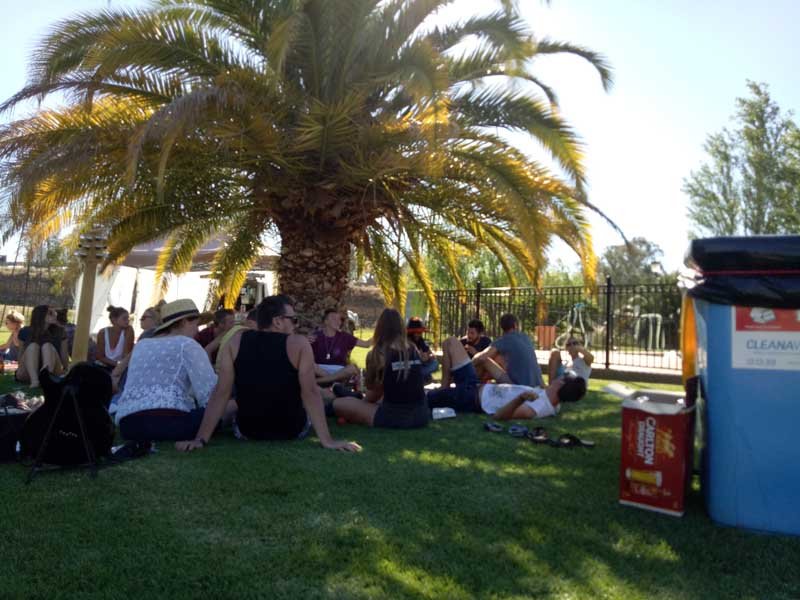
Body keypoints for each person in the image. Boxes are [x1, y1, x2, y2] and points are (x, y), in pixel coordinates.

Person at [175, 294, 360, 452]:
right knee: (310, 399)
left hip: (247, 431)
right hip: (292, 430)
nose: (295, 325)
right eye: (293, 320)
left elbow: (221, 392)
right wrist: (327, 441)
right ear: (278, 321)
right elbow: (310, 393)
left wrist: (200, 439)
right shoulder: (299, 344)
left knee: (234, 404)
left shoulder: (235, 342)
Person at [114, 299, 219, 441]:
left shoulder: (141, 345)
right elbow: (210, 394)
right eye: (196, 325)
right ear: (184, 322)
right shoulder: (187, 344)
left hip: (128, 426)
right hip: (169, 422)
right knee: (229, 405)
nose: (197, 330)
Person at [428, 337, 586, 419]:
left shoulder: (538, 408)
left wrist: (521, 398)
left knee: (425, 397)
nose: (559, 377)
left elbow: (499, 416)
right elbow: (510, 387)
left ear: (561, 383)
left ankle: (442, 391)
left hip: (471, 398)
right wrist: (492, 367)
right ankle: (444, 387)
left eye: (563, 377)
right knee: (450, 342)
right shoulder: (550, 399)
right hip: (476, 384)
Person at [331, 308, 429, 429]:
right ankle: (353, 397)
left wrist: (360, 404)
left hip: (394, 417)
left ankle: (351, 397)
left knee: (339, 404)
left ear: (380, 328)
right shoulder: (413, 349)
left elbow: (372, 396)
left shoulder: (378, 354)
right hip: (421, 415)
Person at [472, 313, 544, 387]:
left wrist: (470, 362)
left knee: (484, 360)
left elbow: (481, 357)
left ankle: (472, 383)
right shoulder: (526, 337)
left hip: (520, 387)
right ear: (515, 325)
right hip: (537, 385)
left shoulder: (504, 340)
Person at [310, 308, 371, 385]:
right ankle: (334, 381)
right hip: (320, 369)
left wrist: (381, 332)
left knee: (352, 368)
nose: (338, 321)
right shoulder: (315, 336)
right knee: (309, 365)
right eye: (334, 318)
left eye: (339, 319)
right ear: (326, 321)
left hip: (340, 370)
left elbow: (366, 344)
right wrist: (306, 340)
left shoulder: (345, 337)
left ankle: (319, 381)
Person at [15, 305, 69, 388]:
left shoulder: (60, 332)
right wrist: (22, 367)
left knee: (47, 346)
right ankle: (35, 381)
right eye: (50, 313)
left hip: (52, 371)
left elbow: (64, 355)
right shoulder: (25, 331)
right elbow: (20, 355)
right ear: (41, 316)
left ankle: (45, 379)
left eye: (54, 312)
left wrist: (66, 369)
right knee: (33, 346)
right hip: (28, 371)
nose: (55, 314)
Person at [95, 306, 135, 370]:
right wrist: (115, 364)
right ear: (114, 320)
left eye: (128, 319)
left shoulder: (128, 330)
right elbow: (100, 356)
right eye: (124, 319)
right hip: (104, 366)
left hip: (120, 367)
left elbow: (125, 354)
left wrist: (119, 366)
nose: (127, 321)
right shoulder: (102, 332)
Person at [406, 317, 439, 383]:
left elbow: (429, 353)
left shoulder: (420, 340)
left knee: (435, 363)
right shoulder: (406, 341)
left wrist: (429, 356)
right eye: (417, 332)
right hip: (409, 368)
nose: (419, 334)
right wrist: (420, 358)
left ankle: (423, 377)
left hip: (420, 365)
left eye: (420, 332)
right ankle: (421, 377)